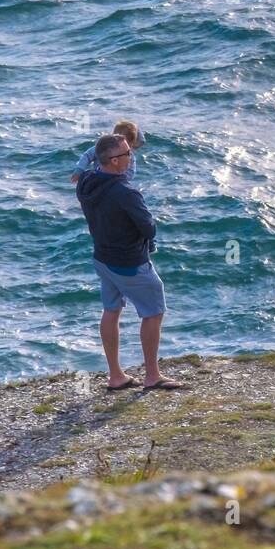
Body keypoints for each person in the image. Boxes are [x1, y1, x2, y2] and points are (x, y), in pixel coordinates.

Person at [75, 133, 181, 392]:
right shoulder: (125, 192)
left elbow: (91, 155)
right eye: (126, 154)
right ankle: (152, 375)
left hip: (103, 259)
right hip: (129, 264)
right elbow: (148, 227)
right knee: (153, 312)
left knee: (111, 310)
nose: (131, 157)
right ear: (112, 161)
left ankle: (116, 376)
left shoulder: (86, 181)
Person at [71, 120, 145, 185]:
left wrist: (121, 179)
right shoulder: (102, 148)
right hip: (98, 178)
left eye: (127, 145)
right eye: (115, 138)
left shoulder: (129, 156)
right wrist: (79, 170)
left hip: (116, 183)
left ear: (130, 145)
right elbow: (87, 156)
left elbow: (131, 172)